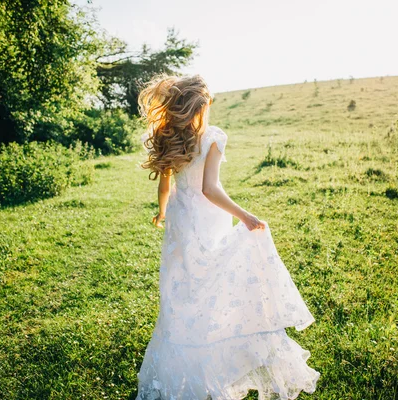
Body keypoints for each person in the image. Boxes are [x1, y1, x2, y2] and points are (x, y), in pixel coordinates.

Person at [135, 74, 320, 400]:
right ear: (201, 106)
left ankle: (184, 356)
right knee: (213, 279)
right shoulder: (213, 138)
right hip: (206, 218)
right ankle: (213, 343)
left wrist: (163, 212)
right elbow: (210, 189)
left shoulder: (168, 135)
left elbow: (165, 185)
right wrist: (245, 216)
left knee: (182, 286)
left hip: (180, 218)